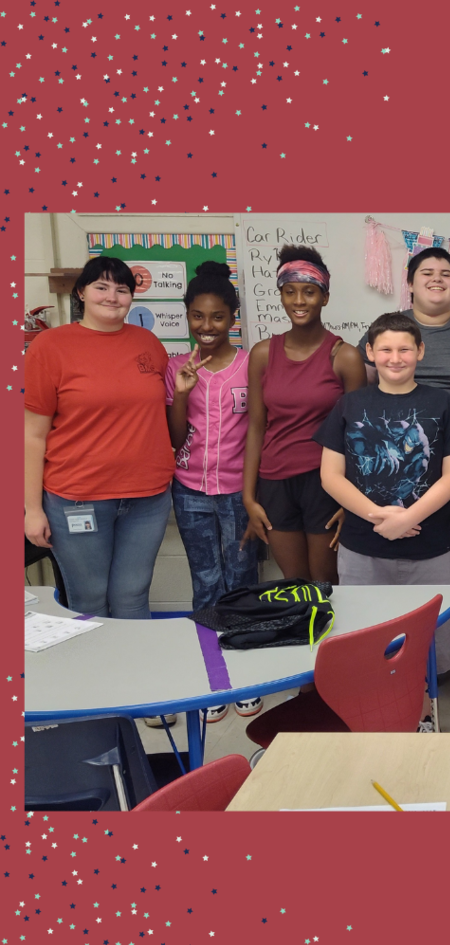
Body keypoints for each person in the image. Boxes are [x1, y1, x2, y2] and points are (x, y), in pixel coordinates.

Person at [316, 312, 450, 718]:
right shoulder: (350, 404)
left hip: (430, 549)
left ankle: (421, 715)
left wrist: (408, 518)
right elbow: (330, 476)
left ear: (420, 352)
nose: (395, 357)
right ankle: (370, 719)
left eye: (405, 348)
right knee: (364, 641)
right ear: (370, 353)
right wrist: (378, 517)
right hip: (362, 549)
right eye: (385, 349)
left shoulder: (442, 404)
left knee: (425, 645)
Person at [359, 248, 450, 686]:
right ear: (409, 281)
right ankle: (386, 673)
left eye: (446, 273)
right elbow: (368, 399)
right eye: (427, 272)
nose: (437, 279)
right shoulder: (390, 330)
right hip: (397, 471)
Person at [25, 256, 174, 620]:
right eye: (101, 287)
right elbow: (31, 435)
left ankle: (134, 676)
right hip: (77, 498)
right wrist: (32, 509)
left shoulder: (148, 343)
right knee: (88, 600)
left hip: (147, 498)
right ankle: (94, 677)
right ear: (82, 292)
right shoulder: (49, 347)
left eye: (122, 289)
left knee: (133, 595)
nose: (112, 297)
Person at [165, 261, 262, 722]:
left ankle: (244, 673)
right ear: (187, 316)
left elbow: (261, 428)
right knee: (205, 580)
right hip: (189, 492)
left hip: (239, 492)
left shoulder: (251, 364)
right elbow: (175, 437)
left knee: (241, 577)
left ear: (233, 318)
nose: (207, 326)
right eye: (198, 317)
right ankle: (212, 676)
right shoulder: (174, 367)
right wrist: (182, 392)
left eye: (218, 317)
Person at [241, 245, 366, 585]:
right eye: (290, 292)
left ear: (324, 297)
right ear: (281, 295)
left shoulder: (345, 357)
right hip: (275, 483)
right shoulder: (263, 354)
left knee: (326, 583)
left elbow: (358, 437)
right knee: (293, 583)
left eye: (309, 292)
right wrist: (249, 497)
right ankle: (303, 642)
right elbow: (255, 428)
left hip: (325, 483)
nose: (299, 301)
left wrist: (351, 499)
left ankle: (334, 642)